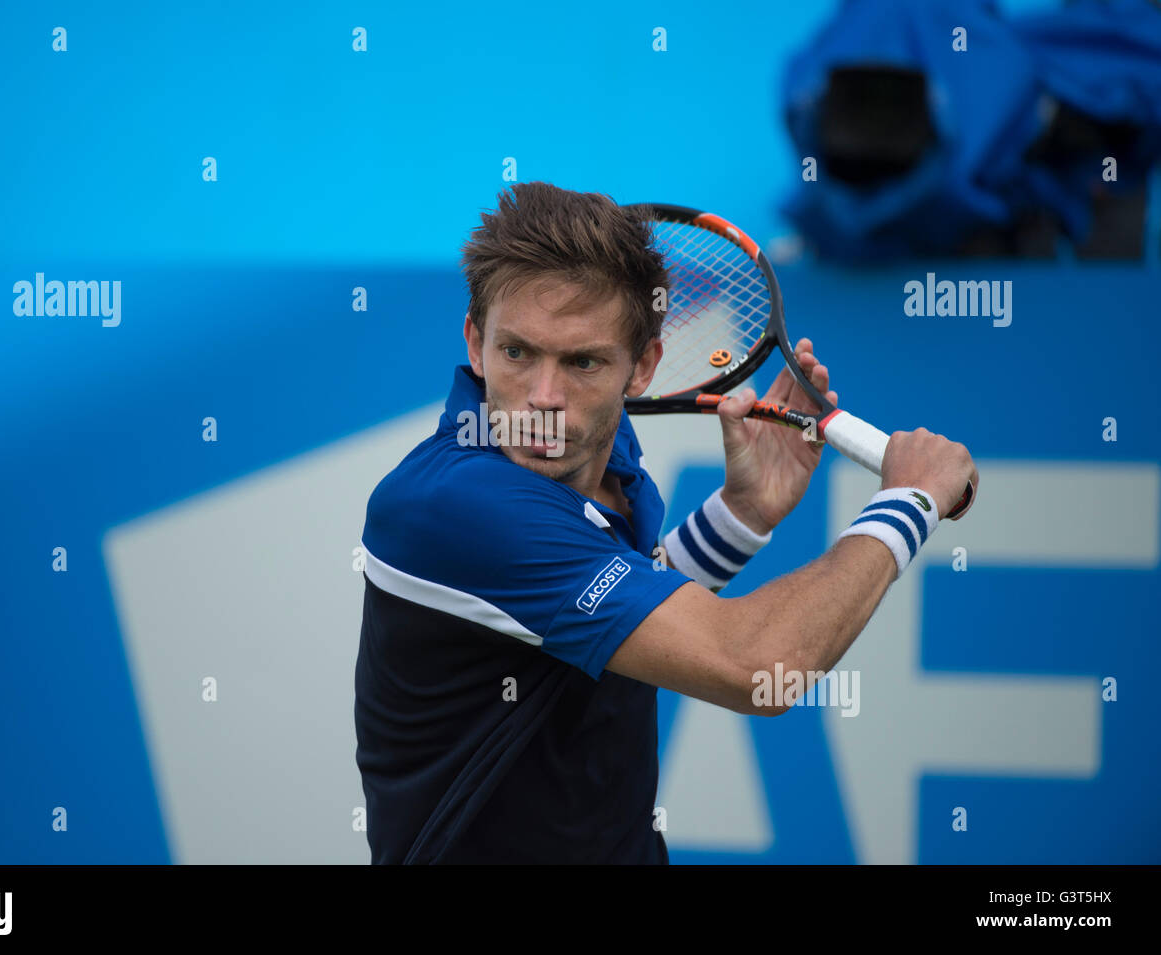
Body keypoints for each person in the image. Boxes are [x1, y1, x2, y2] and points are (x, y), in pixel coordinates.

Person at [353, 181, 977, 864]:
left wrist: (740, 516)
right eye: (517, 352)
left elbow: (609, 612)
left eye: (583, 361)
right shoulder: (463, 505)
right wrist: (910, 500)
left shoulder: (601, 459)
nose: (543, 398)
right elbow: (757, 667)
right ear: (476, 342)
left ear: (643, 365)